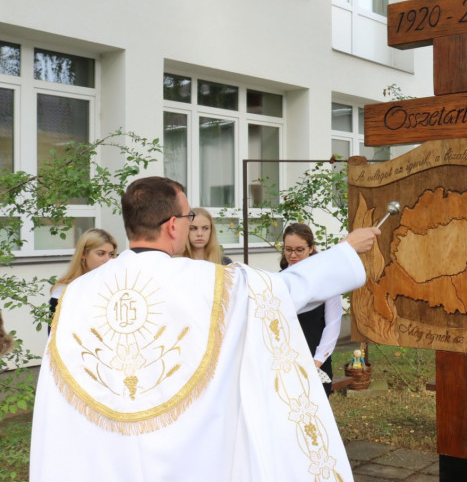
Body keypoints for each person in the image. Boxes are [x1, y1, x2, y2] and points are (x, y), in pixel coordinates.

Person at [30, 176, 380, 482]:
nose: (189, 227)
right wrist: (345, 251)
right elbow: (283, 290)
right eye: (187, 219)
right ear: (172, 225)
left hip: (105, 455)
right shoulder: (211, 284)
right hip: (189, 451)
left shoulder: (76, 293)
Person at [280, 223, 342, 397]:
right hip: (286, 361)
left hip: (316, 359)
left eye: (299, 250)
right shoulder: (279, 281)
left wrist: (317, 362)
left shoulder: (325, 281)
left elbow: (333, 324)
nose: (293, 255)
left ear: (311, 248)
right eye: (288, 249)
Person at [49, 228, 118, 332]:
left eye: (111, 254)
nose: (107, 260)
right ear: (84, 254)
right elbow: (53, 332)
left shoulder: (116, 286)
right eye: (101, 254)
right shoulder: (64, 290)